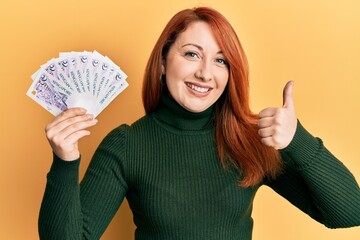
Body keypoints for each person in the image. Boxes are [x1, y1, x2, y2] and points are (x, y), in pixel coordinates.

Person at [38, 6, 360, 240]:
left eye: (220, 60)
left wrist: (297, 141)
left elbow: (349, 213)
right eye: (192, 54)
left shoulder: (249, 141)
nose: (206, 73)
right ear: (163, 61)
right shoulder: (127, 145)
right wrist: (65, 162)